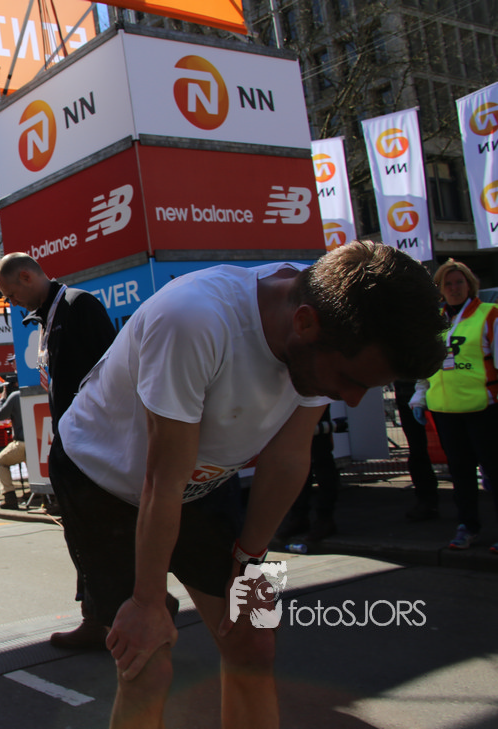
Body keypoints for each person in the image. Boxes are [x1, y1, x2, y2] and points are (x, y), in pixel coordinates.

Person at [51, 241, 446, 728]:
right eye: (350, 379)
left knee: (256, 639)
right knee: (147, 661)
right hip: (101, 481)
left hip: (204, 480)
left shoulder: (331, 305)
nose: (353, 398)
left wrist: (250, 560)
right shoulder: (193, 318)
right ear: (304, 323)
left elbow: (289, 457)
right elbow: (161, 479)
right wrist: (148, 602)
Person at [0, 252, 117, 650]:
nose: (11, 303)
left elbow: (111, 373)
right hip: (73, 443)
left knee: (96, 533)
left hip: (93, 444)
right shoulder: (49, 316)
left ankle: (117, 613)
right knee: (81, 532)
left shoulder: (78, 306)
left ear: (26, 277)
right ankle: (99, 614)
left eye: (10, 294)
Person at [410, 259, 498, 553]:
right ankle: (467, 527)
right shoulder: (433, 321)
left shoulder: (490, 314)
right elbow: (426, 366)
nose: (454, 288)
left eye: (459, 282)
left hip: (483, 409)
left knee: (494, 472)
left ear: (470, 285)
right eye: (447, 284)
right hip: (446, 411)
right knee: (460, 475)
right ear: (440, 289)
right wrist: (419, 396)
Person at [275, 406, 346, 543]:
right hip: (294, 402)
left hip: (315, 400)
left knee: (321, 459)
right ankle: (299, 516)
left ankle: (324, 518)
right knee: (297, 461)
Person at [394, 378, 440, 520]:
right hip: (406, 394)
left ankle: (466, 506)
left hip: (439, 391)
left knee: (456, 450)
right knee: (417, 451)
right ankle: (426, 501)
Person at [0, 384, 27, 510]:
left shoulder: (15, 396)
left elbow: (0, 415)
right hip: (38, 442)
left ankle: (9, 497)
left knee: (0, 462)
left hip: (22, 442)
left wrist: (2, 398)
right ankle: (41, 494)